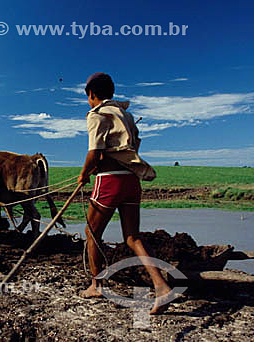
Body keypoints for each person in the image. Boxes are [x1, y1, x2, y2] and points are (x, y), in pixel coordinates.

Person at [77, 72, 172, 314]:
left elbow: (94, 151)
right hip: (131, 180)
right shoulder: (126, 115)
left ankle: (96, 285)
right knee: (132, 237)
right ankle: (161, 286)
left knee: (92, 233)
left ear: (92, 95)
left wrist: (84, 174)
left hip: (109, 181)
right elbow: (133, 145)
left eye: (88, 96)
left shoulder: (96, 114)